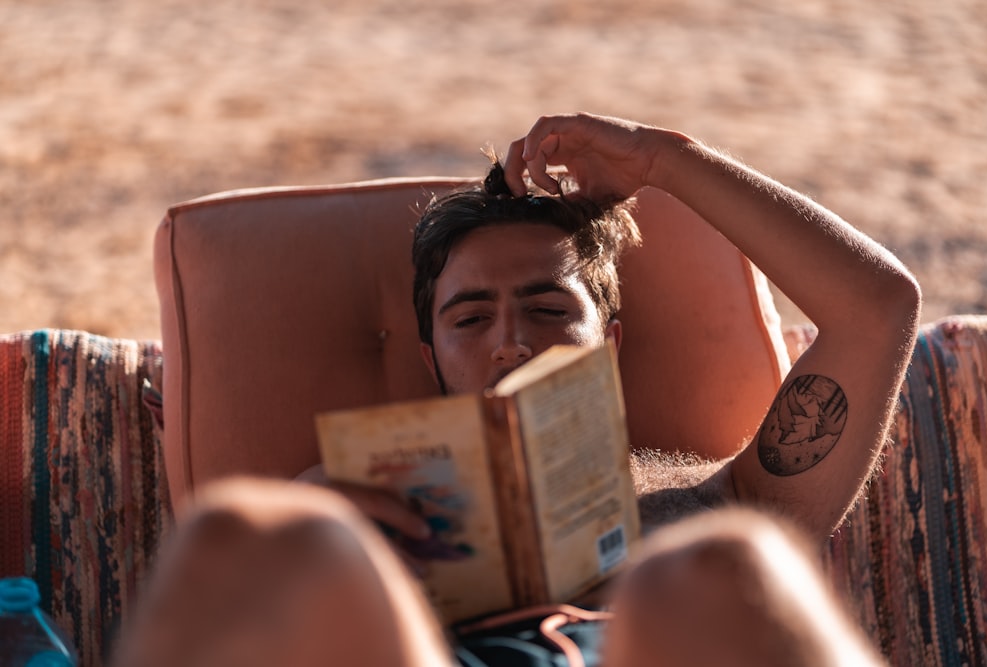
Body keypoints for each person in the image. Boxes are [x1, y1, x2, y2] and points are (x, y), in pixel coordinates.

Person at [114, 113, 920, 666]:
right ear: (431, 359)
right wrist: (316, 519)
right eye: (470, 318)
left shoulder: (711, 502)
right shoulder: (346, 519)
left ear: (605, 343)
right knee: (237, 533)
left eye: (545, 308)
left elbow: (878, 309)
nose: (510, 342)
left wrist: (663, 160)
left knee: (726, 558)